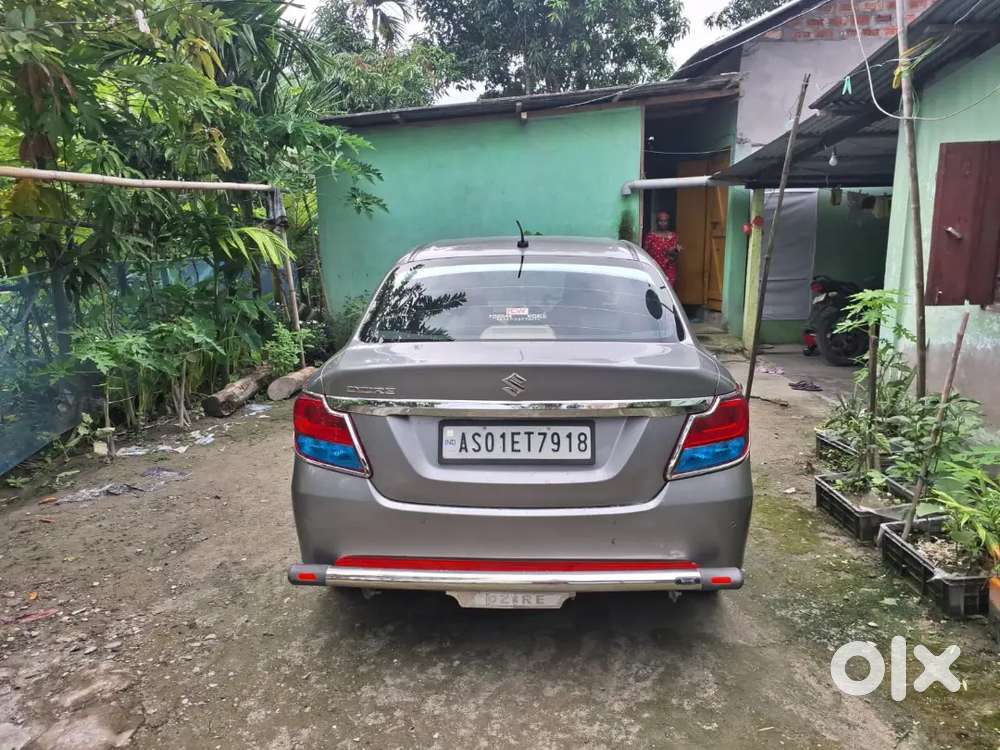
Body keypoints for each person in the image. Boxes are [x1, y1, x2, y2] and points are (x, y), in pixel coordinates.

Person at [643, 210, 681, 287]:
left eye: (665, 221)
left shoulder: (673, 236)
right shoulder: (651, 236)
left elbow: (675, 256)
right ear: (657, 222)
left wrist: (674, 251)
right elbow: (645, 254)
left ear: (668, 222)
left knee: (667, 292)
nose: (663, 223)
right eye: (661, 221)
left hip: (669, 270)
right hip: (654, 270)